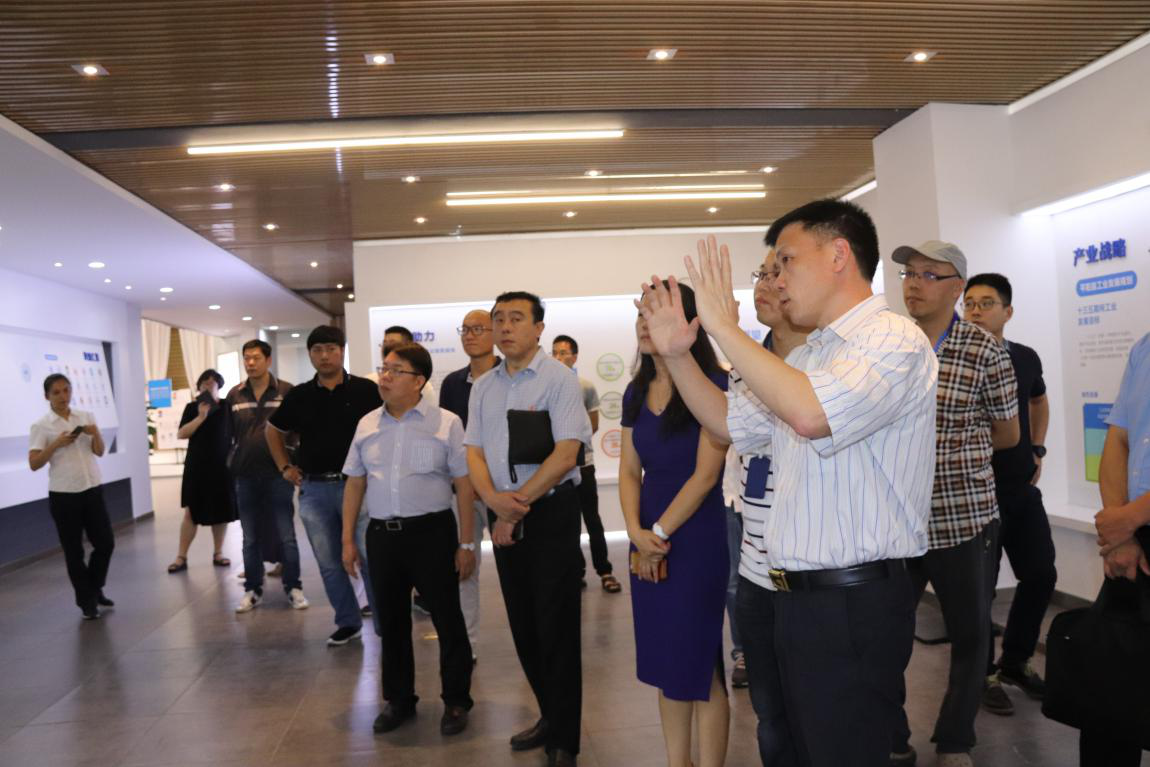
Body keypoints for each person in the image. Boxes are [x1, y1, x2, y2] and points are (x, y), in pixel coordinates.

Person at [638, 199, 938, 767]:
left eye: (786, 262)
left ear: (839, 255)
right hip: (789, 596)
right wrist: (679, 356)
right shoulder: (812, 353)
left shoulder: (891, 339)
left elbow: (810, 414)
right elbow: (729, 424)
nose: (776, 279)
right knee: (792, 748)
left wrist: (723, 327)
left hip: (852, 600)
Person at [891, 242, 1020, 767]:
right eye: (909, 273)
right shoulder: (888, 344)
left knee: (970, 635)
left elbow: (1008, 433)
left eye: (929, 274)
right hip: (896, 521)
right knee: (887, 635)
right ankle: (892, 736)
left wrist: (957, 454)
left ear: (956, 287)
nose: (913, 283)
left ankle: (954, 740)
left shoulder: (984, 350)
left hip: (962, 516)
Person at [464, 291, 591, 767]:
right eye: (498, 318)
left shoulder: (558, 379)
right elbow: (474, 452)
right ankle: (549, 715)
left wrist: (512, 508)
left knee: (556, 627)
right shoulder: (484, 386)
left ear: (539, 328)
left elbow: (566, 454)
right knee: (524, 626)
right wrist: (493, 501)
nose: (504, 326)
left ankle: (566, 739)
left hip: (551, 514)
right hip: (503, 514)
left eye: (516, 318)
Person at [620, 281, 730, 767]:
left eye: (656, 314)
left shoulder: (714, 385)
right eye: (641, 315)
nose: (645, 324)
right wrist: (635, 532)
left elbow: (705, 477)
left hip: (695, 538)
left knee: (701, 662)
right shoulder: (636, 390)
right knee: (667, 661)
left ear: (688, 324)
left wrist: (657, 536)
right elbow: (629, 470)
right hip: (647, 536)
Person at [342, 342, 477, 737]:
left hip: (432, 533)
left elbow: (464, 485)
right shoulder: (366, 424)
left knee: (448, 619)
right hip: (382, 536)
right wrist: (347, 539)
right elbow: (355, 482)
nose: (384, 377)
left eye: (395, 370)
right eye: (383, 368)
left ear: (418, 381)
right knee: (392, 622)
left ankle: (456, 700)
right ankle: (399, 699)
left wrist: (466, 544)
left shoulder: (446, 423)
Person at [963, 273, 1057, 714]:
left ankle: (1016, 661)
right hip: (975, 495)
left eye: (986, 303)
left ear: (1008, 312)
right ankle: (982, 674)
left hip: (1019, 490)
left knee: (1040, 575)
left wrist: (1037, 448)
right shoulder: (952, 360)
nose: (975, 311)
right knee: (979, 590)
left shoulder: (1024, 357)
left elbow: (1038, 400)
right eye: (969, 303)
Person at [267, 325, 382, 646]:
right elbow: (272, 430)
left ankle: (385, 623)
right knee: (329, 562)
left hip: (359, 487)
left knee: (370, 558)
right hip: (315, 490)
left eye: (331, 348)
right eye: (317, 350)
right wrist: (285, 467)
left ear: (342, 351)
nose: (325, 355)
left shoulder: (366, 390)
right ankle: (347, 621)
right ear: (310, 354)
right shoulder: (300, 395)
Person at [1086, 330, 1150, 766]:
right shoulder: (1144, 348)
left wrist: (1132, 517)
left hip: (1136, 523)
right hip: (1132, 539)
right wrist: (1122, 530)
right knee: (1109, 703)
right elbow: (1118, 439)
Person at [226, 340, 306, 614]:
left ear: (268, 360)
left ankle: (293, 587)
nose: (250, 363)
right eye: (246, 358)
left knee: (286, 534)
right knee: (249, 538)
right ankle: (252, 589)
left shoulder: (286, 391)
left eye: (256, 358)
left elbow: (297, 431)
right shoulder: (235, 394)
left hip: (278, 474)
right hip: (245, 475)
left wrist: (293, 462)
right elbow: (229, 434)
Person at [29, 373, 114, 620]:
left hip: (92, 487)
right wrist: (56, 444)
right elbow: (34, 463)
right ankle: (87, 602)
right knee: (73, 551)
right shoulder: (41, 425)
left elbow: (99, 452)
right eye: (56, 392)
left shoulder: (85, 416)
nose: (63, 396)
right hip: (64, 495)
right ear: (47, 396)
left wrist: (96, 433)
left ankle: (94, 587)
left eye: (66, 390)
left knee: (105, 543)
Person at [440, 308, 500, 655]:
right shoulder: (452, 383)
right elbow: (452, 441)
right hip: (463, 491)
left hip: (505, 491)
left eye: (478, 328)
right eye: (465, 329)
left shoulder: (509, 376)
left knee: (516, 569)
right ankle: (467, 647)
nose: (470, 335)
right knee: (464, 567)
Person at [552, 333, 621, 593]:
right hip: (559, 468)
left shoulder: (585, 386)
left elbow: (593, 424)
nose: (558, 357)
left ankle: (605, 571)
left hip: (584, 463)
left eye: (563, 352)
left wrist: (571, 443)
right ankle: (576, 571)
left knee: (592, 519)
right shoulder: (548, 387)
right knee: (567, 523)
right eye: (554, 352)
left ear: (575, 357)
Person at [168, 369, 236, 573]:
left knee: (222, 511)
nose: (208, 384)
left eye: (213, 381)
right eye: (204, 381)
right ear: (198, 386)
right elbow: (182, 433)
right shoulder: (192, 407)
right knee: (191, 512)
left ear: (219, 385)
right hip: (197, 467)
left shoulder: (227, 407)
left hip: (222, 467)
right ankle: (181, 556)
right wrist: (200, 417)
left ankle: (218, 552)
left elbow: (235, 433)